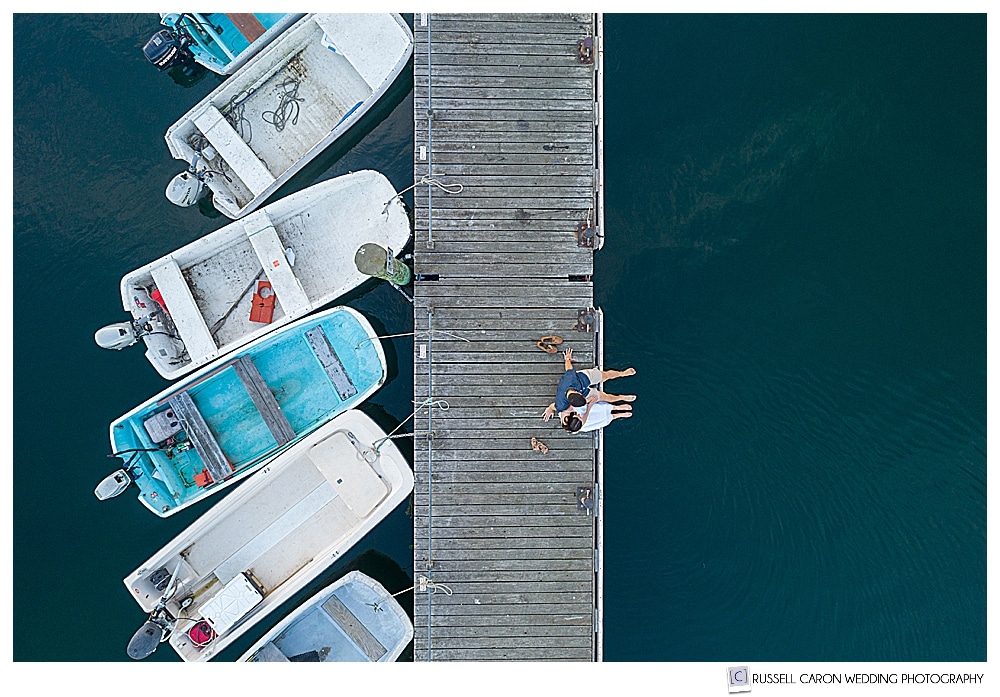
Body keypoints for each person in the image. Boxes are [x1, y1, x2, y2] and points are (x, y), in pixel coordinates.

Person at [542, 347, 636, 423]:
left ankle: (622, 373)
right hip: (585, 392)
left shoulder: (570, 379)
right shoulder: (561, 404)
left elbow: (569, 368)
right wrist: (550, 409)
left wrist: (567, 358)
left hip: (584, 378)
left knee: (605, 376)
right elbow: (553, 407)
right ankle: (620, 397)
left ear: (578, 393)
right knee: (605, 397)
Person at [562, 401, 633, 433]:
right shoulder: (576, 426)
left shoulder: (565, 413)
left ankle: (616, 408)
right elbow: (576, 430)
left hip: (581, 409)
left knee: (594, 408)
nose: (579, 416)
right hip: (584, 423)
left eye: (578, 416)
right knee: (595, 421)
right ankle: (617, 415)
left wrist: (590, 404)